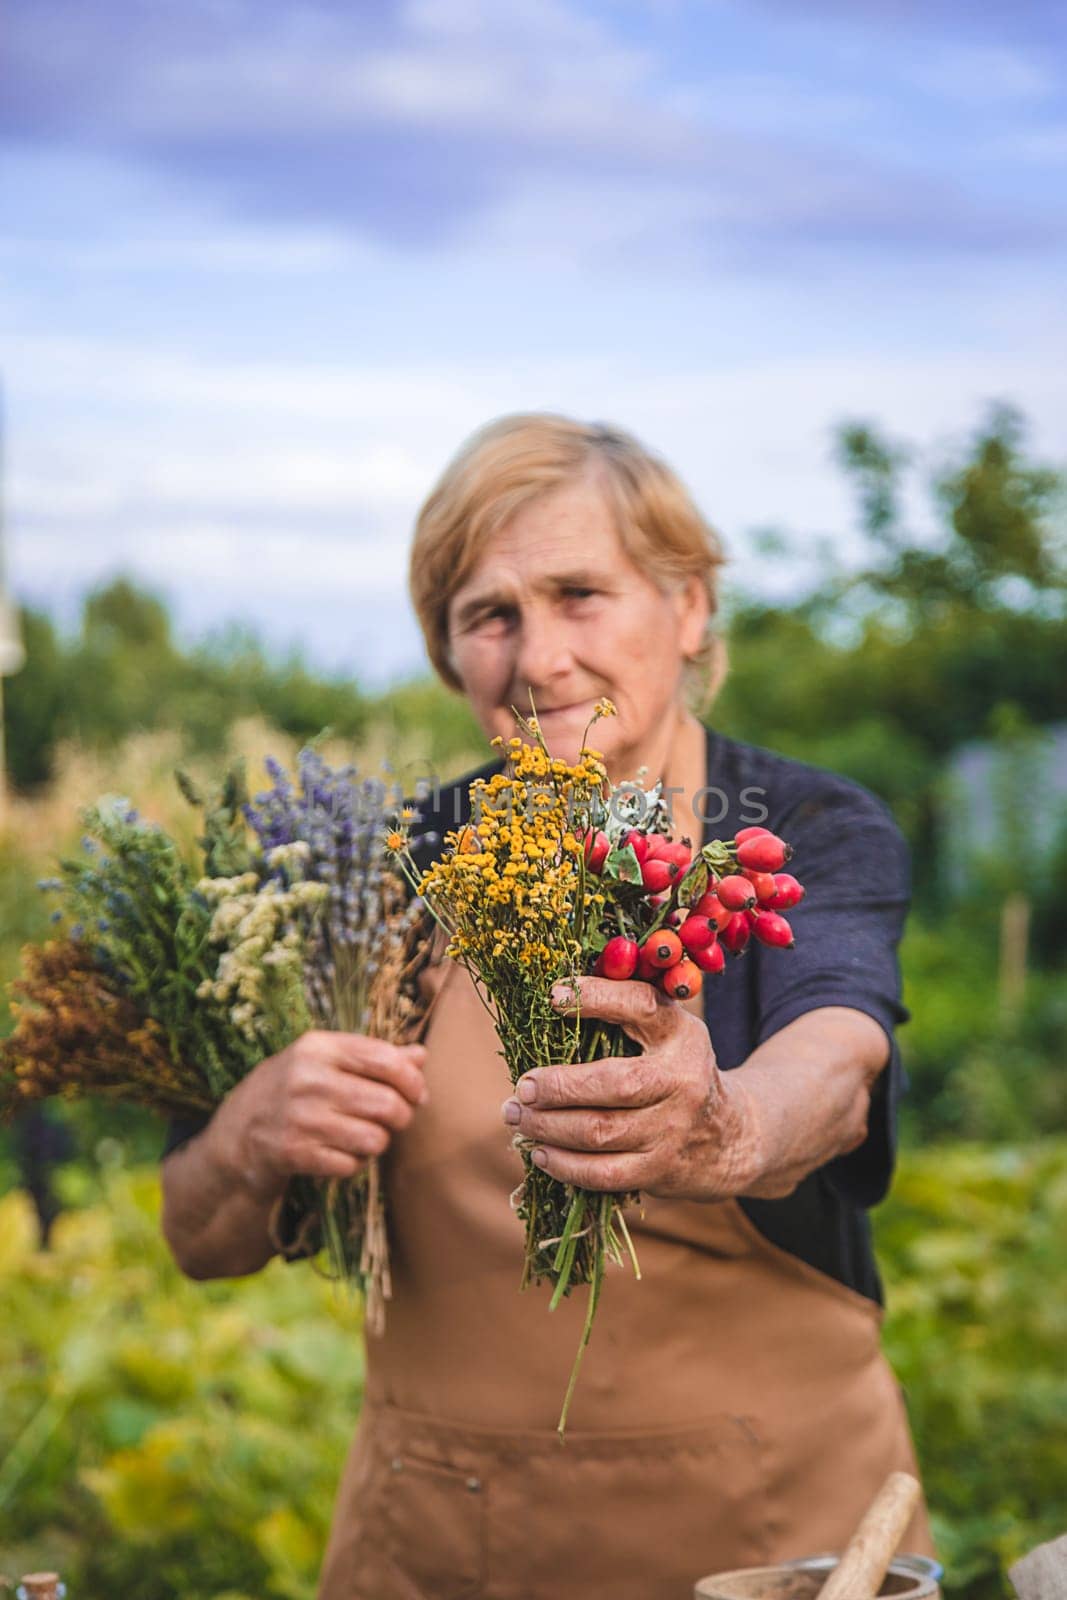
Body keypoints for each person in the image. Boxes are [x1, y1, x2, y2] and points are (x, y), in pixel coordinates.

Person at [160, 414, 937, 1600]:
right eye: (489, 614)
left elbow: (833, 1063)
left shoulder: (798, 827)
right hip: (441, 1538)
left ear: (686, 610)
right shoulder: (367, 870)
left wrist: (726, 1124)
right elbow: (196, 1237)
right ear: (448, 654)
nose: (538, 658)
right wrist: (248, 1131)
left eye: (581, 595)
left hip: (777, 1539)